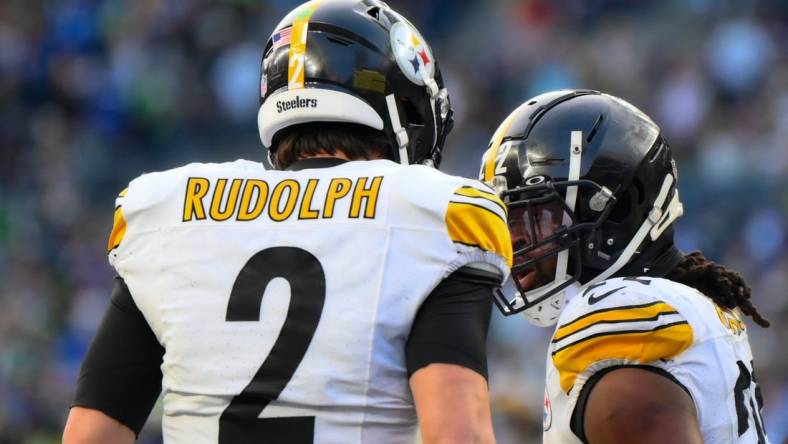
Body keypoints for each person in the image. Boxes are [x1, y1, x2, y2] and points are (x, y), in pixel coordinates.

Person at [62, 1, 512, 443]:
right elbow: (459, 434)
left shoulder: (171, 214)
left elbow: (90, 435)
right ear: (406, 115)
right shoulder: (430, 217)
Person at [479, 89, 771, 444]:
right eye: (510, 221)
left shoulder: (613, 316)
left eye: (537, 215)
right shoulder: (693, 309)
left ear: (618, 210)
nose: (516, 240)